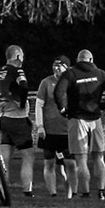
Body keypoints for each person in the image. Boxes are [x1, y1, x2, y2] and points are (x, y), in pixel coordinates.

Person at [55, 50, 105, 200]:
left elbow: (58, 92)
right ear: (91, 59)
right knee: (99, 157)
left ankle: (85, 193)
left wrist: (63, 109)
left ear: (78, 60)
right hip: (95, 119)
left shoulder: (71, 73)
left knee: (81, 159)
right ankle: (101, 192)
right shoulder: (99, 73)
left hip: (77, 118)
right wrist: (104, 105)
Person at [0, 46, 38, 198]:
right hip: (18, 119)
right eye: (22, 56)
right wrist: (22, 102)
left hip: (3, 118)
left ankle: (3, 188)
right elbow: (23, 86)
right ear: (17, 56)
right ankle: (27, 190)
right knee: (28, 155)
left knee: (5, 156)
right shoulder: (17, 70)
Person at [35, 55, 72, 197]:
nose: (56, 68)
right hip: (49, 131)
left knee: (69, 164)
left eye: (60, 65)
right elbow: (39, 105)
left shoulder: (72, 82)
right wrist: (40, 126)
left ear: (66, 67)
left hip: (67, 130)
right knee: (49, 163)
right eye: (54, 65)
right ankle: (53, 194)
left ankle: (70, 194)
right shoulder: (46, 82)